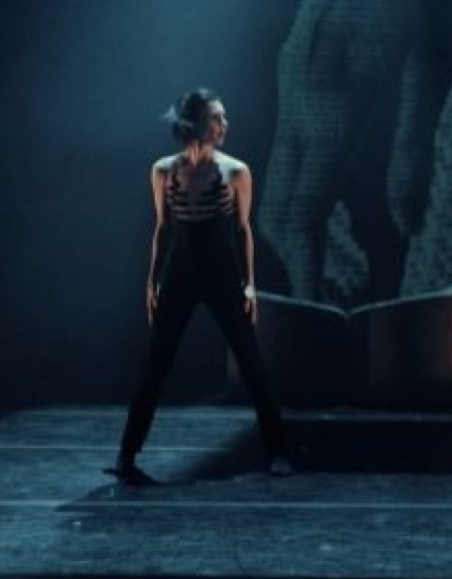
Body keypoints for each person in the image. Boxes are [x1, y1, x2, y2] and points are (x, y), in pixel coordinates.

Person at [107, 88, 294, 484]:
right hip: (181, 269)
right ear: (195, 124)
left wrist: (249, 285)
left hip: (222, 270)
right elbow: (162, 228)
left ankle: (279, 449)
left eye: (224, 117)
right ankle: (126, 454)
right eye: (216, 118)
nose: (224, 124)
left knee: (249, 359)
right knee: (157, 361)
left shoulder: (236, 171)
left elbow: (243, 230)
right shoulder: (163, 170)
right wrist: (152, 280)